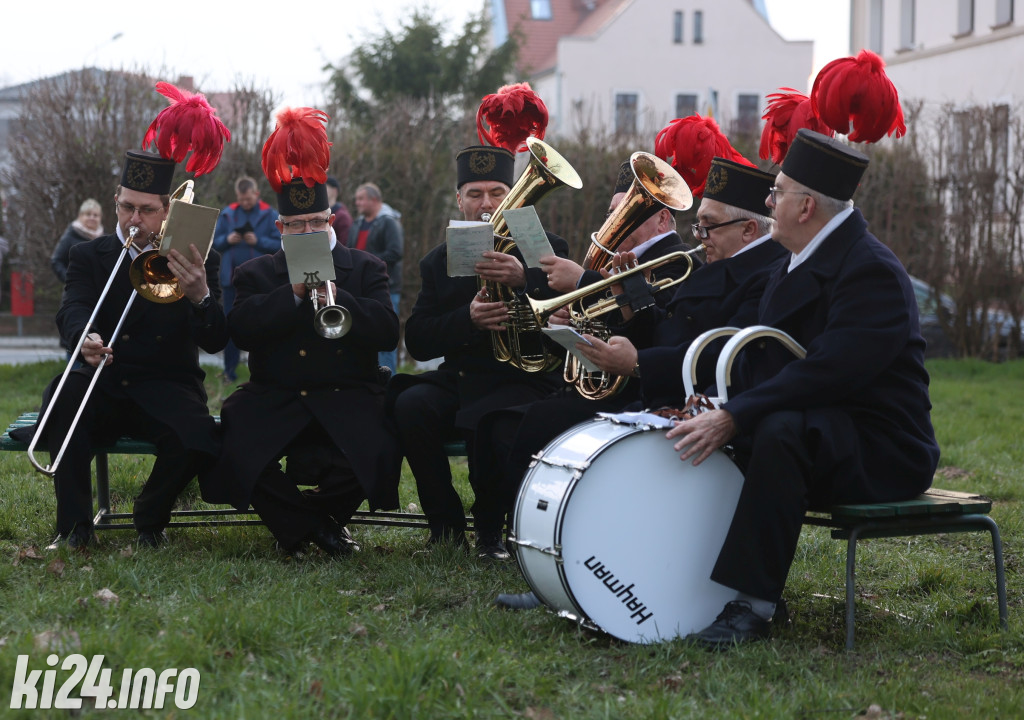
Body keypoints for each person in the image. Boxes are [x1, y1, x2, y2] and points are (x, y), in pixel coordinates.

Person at [668, 129, 940, 647]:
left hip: (881, 448)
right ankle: (674, 582)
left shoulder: (871, 270)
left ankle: (753, 606)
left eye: (778, 192)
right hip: (828, 431)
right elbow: (768, 359)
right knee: (725, 431)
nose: (769, 202)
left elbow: (830, 371)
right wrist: (712, 404)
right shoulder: (794, 261)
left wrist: (736, 415)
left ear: (806, 206)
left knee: (779, 430)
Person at [14, 81, 231, 549]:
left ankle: (149, 514)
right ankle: (74, 529)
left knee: (197, 441)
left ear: (167, 209)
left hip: (168, 383)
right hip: (105, 379)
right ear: (115, 201)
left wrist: (199, 296)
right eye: (127, 207)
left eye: (147, 211)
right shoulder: (89, 255)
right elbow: (71, 308)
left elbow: (216, 341)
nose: (135, 220)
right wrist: (83, 338)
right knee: (65, 405)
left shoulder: (196, 256)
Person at [211, 107, 399, 559]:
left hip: (347, 391)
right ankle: (320, 528)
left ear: (331, 221)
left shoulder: (366, 266)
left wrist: (340, 298)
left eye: (315, 223)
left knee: (380, 448)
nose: (307, 232)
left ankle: (302, 524)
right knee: (235, 448)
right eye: (295, 227)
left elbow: (389, 334)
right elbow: (240, 329)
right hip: (277, 393)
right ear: (280, 228)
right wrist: (293, 294)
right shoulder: (258, 271)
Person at [387, 145, 570, 559]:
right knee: (411, 405)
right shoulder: (438, 260)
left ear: (513, 194)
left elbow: (573, 317)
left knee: (498, 423)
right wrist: (467, 319)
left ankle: (492, 530)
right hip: (464, 379)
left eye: (496, 191)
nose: (486, 203)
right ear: (458, 199)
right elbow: (416, 340)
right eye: (474, 194)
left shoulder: (549, 248)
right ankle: (445, 528)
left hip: (525, 381)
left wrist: (528, 279)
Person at [212, 176, 281, 382]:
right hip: (231, 280)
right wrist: (227, 239)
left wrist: (258, 241)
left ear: (256, 194)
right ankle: (229, 372)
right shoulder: (228, 214)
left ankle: (263, 371)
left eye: (248, 199)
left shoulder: (270, 215)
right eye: (242, 199)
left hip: (262, 280)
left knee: (262, 325)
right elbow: (214, 241)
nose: (245, 203)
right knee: (231, 326)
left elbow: (281, 243)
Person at [346, 182, 403, 372]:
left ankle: (389, 387)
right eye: (357, 199)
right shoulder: (357, 223)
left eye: (361, 199)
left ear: (374, 200)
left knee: (385, 339)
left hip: (386, 289)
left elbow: (395, 252)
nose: (357, 203)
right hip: (357, 289)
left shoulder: (389, 222)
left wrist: (367, 264)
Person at [51, 199, 104, 284]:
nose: (92, 218)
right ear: (80, 216)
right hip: (76, 292)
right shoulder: (70, 236)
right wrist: (70, 280)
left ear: (100, 218)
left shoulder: (105, 238)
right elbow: (56, 261)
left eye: (95, 215)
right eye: (88, 214)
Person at [326, 176, 353, 247]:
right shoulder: (322, 213)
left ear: (334, 191)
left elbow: (344, 244)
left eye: (325, 187)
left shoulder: (343, 217)